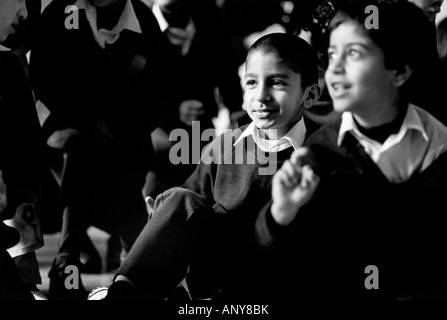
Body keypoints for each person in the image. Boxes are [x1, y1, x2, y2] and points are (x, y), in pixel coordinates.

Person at [88, 32, 322, 300]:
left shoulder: (322, 153)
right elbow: (190, 202)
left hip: (277, 278)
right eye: (251, 83)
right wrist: (163, 215)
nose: (261, 96)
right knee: (177, 199)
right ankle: (123, 294)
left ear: (310, 95)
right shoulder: (225, 146)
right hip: (214, 277)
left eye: (277, 83)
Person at [255, 0, 447, 300]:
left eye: (354, 53)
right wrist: (282, 213)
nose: (334, 70)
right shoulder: (318, 153)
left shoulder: (439, 145)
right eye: (331, 55)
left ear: (399, 72)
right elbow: (282, 264)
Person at [29, 0, 174, 299]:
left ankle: (92, 257)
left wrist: (124, 125)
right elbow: (42, 79)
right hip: (69, 132)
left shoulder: (144, 21)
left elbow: (160, 90)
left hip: (125, 141)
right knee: (78, 149)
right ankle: (82, 256)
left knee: (113, 163)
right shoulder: (61, 12)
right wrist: (80, 120)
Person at [142, 0, 244, 199]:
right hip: (157, 129)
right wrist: (171, 110)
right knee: (157, 196)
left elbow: (227, 65)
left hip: (201, 126)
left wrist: (236, 109)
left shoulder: (208, 15)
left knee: (203, 187)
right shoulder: (142, 22)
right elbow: (135, 89)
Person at [0, 0, 47, 300]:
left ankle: (23, 270)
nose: (25, 13)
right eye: (16, 0)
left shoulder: (8, 66)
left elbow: (29, 157)